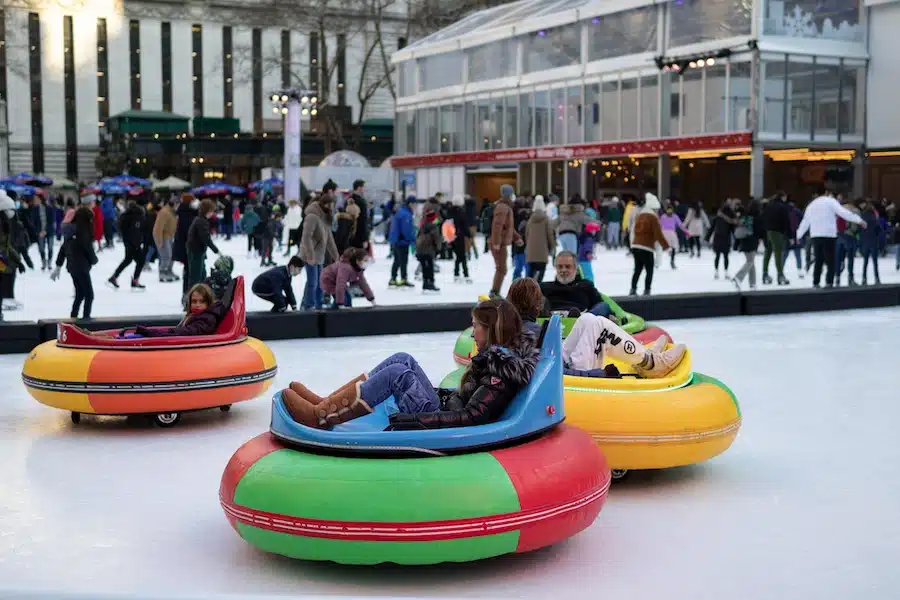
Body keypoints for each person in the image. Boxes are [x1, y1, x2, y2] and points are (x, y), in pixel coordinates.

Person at [281, 298, 540, 430]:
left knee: (397, 374)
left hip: (442, 421)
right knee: (402, 359)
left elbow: (472, 418)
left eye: (476, 327)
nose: (472, 334)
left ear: (492, 329)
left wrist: (414, 419)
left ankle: (320, 417)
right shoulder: (498, 359)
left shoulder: (500, 372)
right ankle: (327, 403)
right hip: (444, 407)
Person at [563, 313, 686, 378]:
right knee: (598, 325)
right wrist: (603, 374)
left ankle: (645, 356)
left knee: (587, 319)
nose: (563, 270)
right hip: (568, 380)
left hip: (556, 366)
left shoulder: (585, 287)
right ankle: (651, 363)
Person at [795, 187, 867, 289]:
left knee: (818, 259)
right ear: (826, 193)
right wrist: (859, 220)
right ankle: (829, 282)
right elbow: (843, 213)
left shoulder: (811, 205)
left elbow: (805, 222)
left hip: (816, 235)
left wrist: (798, 235)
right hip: (829, 235)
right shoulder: (830, 202)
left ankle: (816, 282)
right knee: (830, 260)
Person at [52, 203, 97, 319]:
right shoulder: (82, 232)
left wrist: (58, 265)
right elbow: (88, 248)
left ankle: (73, 318)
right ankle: (86, 320)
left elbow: (63, 250)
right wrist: (94, 260)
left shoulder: (71, 231)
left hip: (72, 267)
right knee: (89, 295)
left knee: (80, 294)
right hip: (81, 267)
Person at [299, 183, 340, 310]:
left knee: (320, 283)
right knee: (313, 283)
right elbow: (306, 237)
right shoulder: (312, 216)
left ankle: (317, 304)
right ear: (325, 204)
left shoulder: (325, 217)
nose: (332, 208)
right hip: (309, 255)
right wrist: (310, 256)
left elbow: (329, 240)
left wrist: (336, 256)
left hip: (320, 255)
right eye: (331, 205)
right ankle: (308, 305)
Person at [135, 283, 227, 337]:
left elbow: (185, 332)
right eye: (194, 301)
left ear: (208, 303)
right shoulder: (194, 316)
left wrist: (152, 333)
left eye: (202, 302)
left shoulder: (206, 320)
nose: (197, 305)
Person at [540, 251, 611, 317]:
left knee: (604, 305)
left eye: (567, 267)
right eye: (560, 267)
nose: (563, 270)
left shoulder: (586, 285)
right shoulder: (545, 287)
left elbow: (600, 305)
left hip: (582, 320)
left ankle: (582, 318)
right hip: (551, 319)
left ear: (575, 268)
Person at [629, 193, 669, 296]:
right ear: (654, 207)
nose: (657, 212)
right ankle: (647, 290)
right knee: (649, 270)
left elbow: (633, 229)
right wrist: (666, 247)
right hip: (646, 247)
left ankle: (633, 289)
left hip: (636, 246)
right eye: (657, 209)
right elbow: (658, 234)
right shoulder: (653, 218)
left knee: (637, 269)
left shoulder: (640, 215)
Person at [108, 199, 146, 291]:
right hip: (134, 242)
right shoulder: (137, 216)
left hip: (127, 241)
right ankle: (134, 280)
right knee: (140, 261)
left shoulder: (125, 215)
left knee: (128, 260)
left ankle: (114, 277)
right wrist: (138, 242)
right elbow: (136, 230)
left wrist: (125, 237)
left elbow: (120, 227)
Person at [731, 199, 766, 290]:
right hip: (752, 241)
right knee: (750, 262)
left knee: (751, 261)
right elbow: (760, 231)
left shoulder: (746, 215)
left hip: (744, 240)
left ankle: (753, 283)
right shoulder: (758, 217)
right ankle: (738, 277)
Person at [489, 184, 518, 298]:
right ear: (509, 195)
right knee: (501, 268)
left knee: (502, 268)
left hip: (500, 242)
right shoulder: (502, 207)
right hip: (498, 243)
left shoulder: (505, 206)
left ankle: (495, 292)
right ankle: (494, 292)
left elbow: (508, 226)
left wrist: (517, 238)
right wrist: (496, 242)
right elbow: (497, 225)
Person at [186, 199, 220, 288]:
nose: (212, 213)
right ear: (207, 210)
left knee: (202, 274)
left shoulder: (200, 220)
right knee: (196, 276)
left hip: (197, 250)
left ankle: (201, 293)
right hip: (196, 251)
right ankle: (192, 296)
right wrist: (216, 250)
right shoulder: (201, 222)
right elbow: (206, 239)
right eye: (211, 210)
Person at [761, 191, 792, 285]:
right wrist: (790, 235)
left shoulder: (768, 205)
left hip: (768, 231)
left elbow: (763, 218)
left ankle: (765, 274)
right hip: (778, 232)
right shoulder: (783, 207)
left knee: (768, 253)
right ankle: (780, 275)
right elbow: (786, 221)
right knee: (778, 253)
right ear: (782, 197)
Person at [524, 195, 555, 282]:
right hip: (542, 251)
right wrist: (552, 246)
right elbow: (550, 234)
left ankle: (528, 291)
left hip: (531, 252)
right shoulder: (546, 220)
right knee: (540, 274)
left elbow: (526, 235)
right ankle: (536, 290)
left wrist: (528, 246)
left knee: (530, 274)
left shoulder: (530, 220)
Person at [388, 196, 416, 288]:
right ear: (410, 204)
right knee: (403, 261)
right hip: (402, 240)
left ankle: (393, 278)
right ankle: (403, 279)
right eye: (414, 204)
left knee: (397, 260)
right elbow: (406, 230)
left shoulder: (401, 211)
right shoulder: (406, 214)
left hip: (396, 240)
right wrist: (412, 239)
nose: (415, 206)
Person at [174, 194, 199, 293]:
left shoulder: (186, 212)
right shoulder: (187, 213)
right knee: (189, 272)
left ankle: (188, 293)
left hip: (186, 246)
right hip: (188, 247)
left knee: (189, 271)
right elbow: (188, 231)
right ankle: (187, 294)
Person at [416, 207, 442, 293]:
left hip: (421, 250)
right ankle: (431, 283)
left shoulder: (422, 226)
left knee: (424, 267)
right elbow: (437, 239)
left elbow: (418, 237)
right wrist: (438, 249)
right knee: (430, 267)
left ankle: (425, 283)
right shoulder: (434, 227)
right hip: (429, 250)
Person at [711, 198, 738, 279]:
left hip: (718, 237)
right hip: (725, 237)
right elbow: (733, 227)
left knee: (718, 256)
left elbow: (713, 227)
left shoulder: (719, 214)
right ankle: (725, 272)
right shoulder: (731, 214)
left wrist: (708, 237)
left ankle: (716, 272)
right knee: (725, 256)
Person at [447, 195, 471, 283]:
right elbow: (464, 224)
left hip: (451, 237)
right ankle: (465, 274)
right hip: (459, 236)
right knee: (462, 256)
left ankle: (457, 274)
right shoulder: (461, 211)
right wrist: (468, 234)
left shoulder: (450, 211)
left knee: (458, 256)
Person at [153, 197, 178, 282]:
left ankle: (169, 271)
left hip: (170, 236)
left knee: (173, 255)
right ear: (173, 204)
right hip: (163, 236)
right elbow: (158, 228)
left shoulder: (172, 212)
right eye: (177, 204)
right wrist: (159, 240)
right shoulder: (164, 212)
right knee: (166, 256)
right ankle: (162, 273)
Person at [858, 200, 882, 285]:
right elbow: (878, 229)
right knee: (875, 262)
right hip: (873, 241)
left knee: (865, 262)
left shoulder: (863, 216)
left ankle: (864, 278)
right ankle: (877, 278)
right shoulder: (874, 217)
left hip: (865, 241)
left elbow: (860, 229)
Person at [660, 203, 689, 270]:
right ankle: (672, 261)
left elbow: (659, 225)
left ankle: (656, 261)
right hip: (671, 234)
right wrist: (687, 232)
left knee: (661, 247)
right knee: (673, 247)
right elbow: (680, 225)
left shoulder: (663, 216)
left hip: (664, 233)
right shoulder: (675, 216)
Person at [30, 195, 56, 271]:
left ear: (41, 199)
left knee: (50, 247)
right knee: (41, 248)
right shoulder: (35, 209)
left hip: (49, 231)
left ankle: (50, 263)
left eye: (36, 199)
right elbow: (33, 221)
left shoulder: (49, 208)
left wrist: (45, 230)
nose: (35, 200)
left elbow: (52, 221)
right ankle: (44, 262)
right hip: (40, 232)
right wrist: (39, 231)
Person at [349, 179, 370, 253]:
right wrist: (365, 239)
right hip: (359, 236)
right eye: (364, 187)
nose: (365, 189)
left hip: (349, 235)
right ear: (359, 188)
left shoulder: (349, 200)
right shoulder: (361, 202)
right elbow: (363, 221)